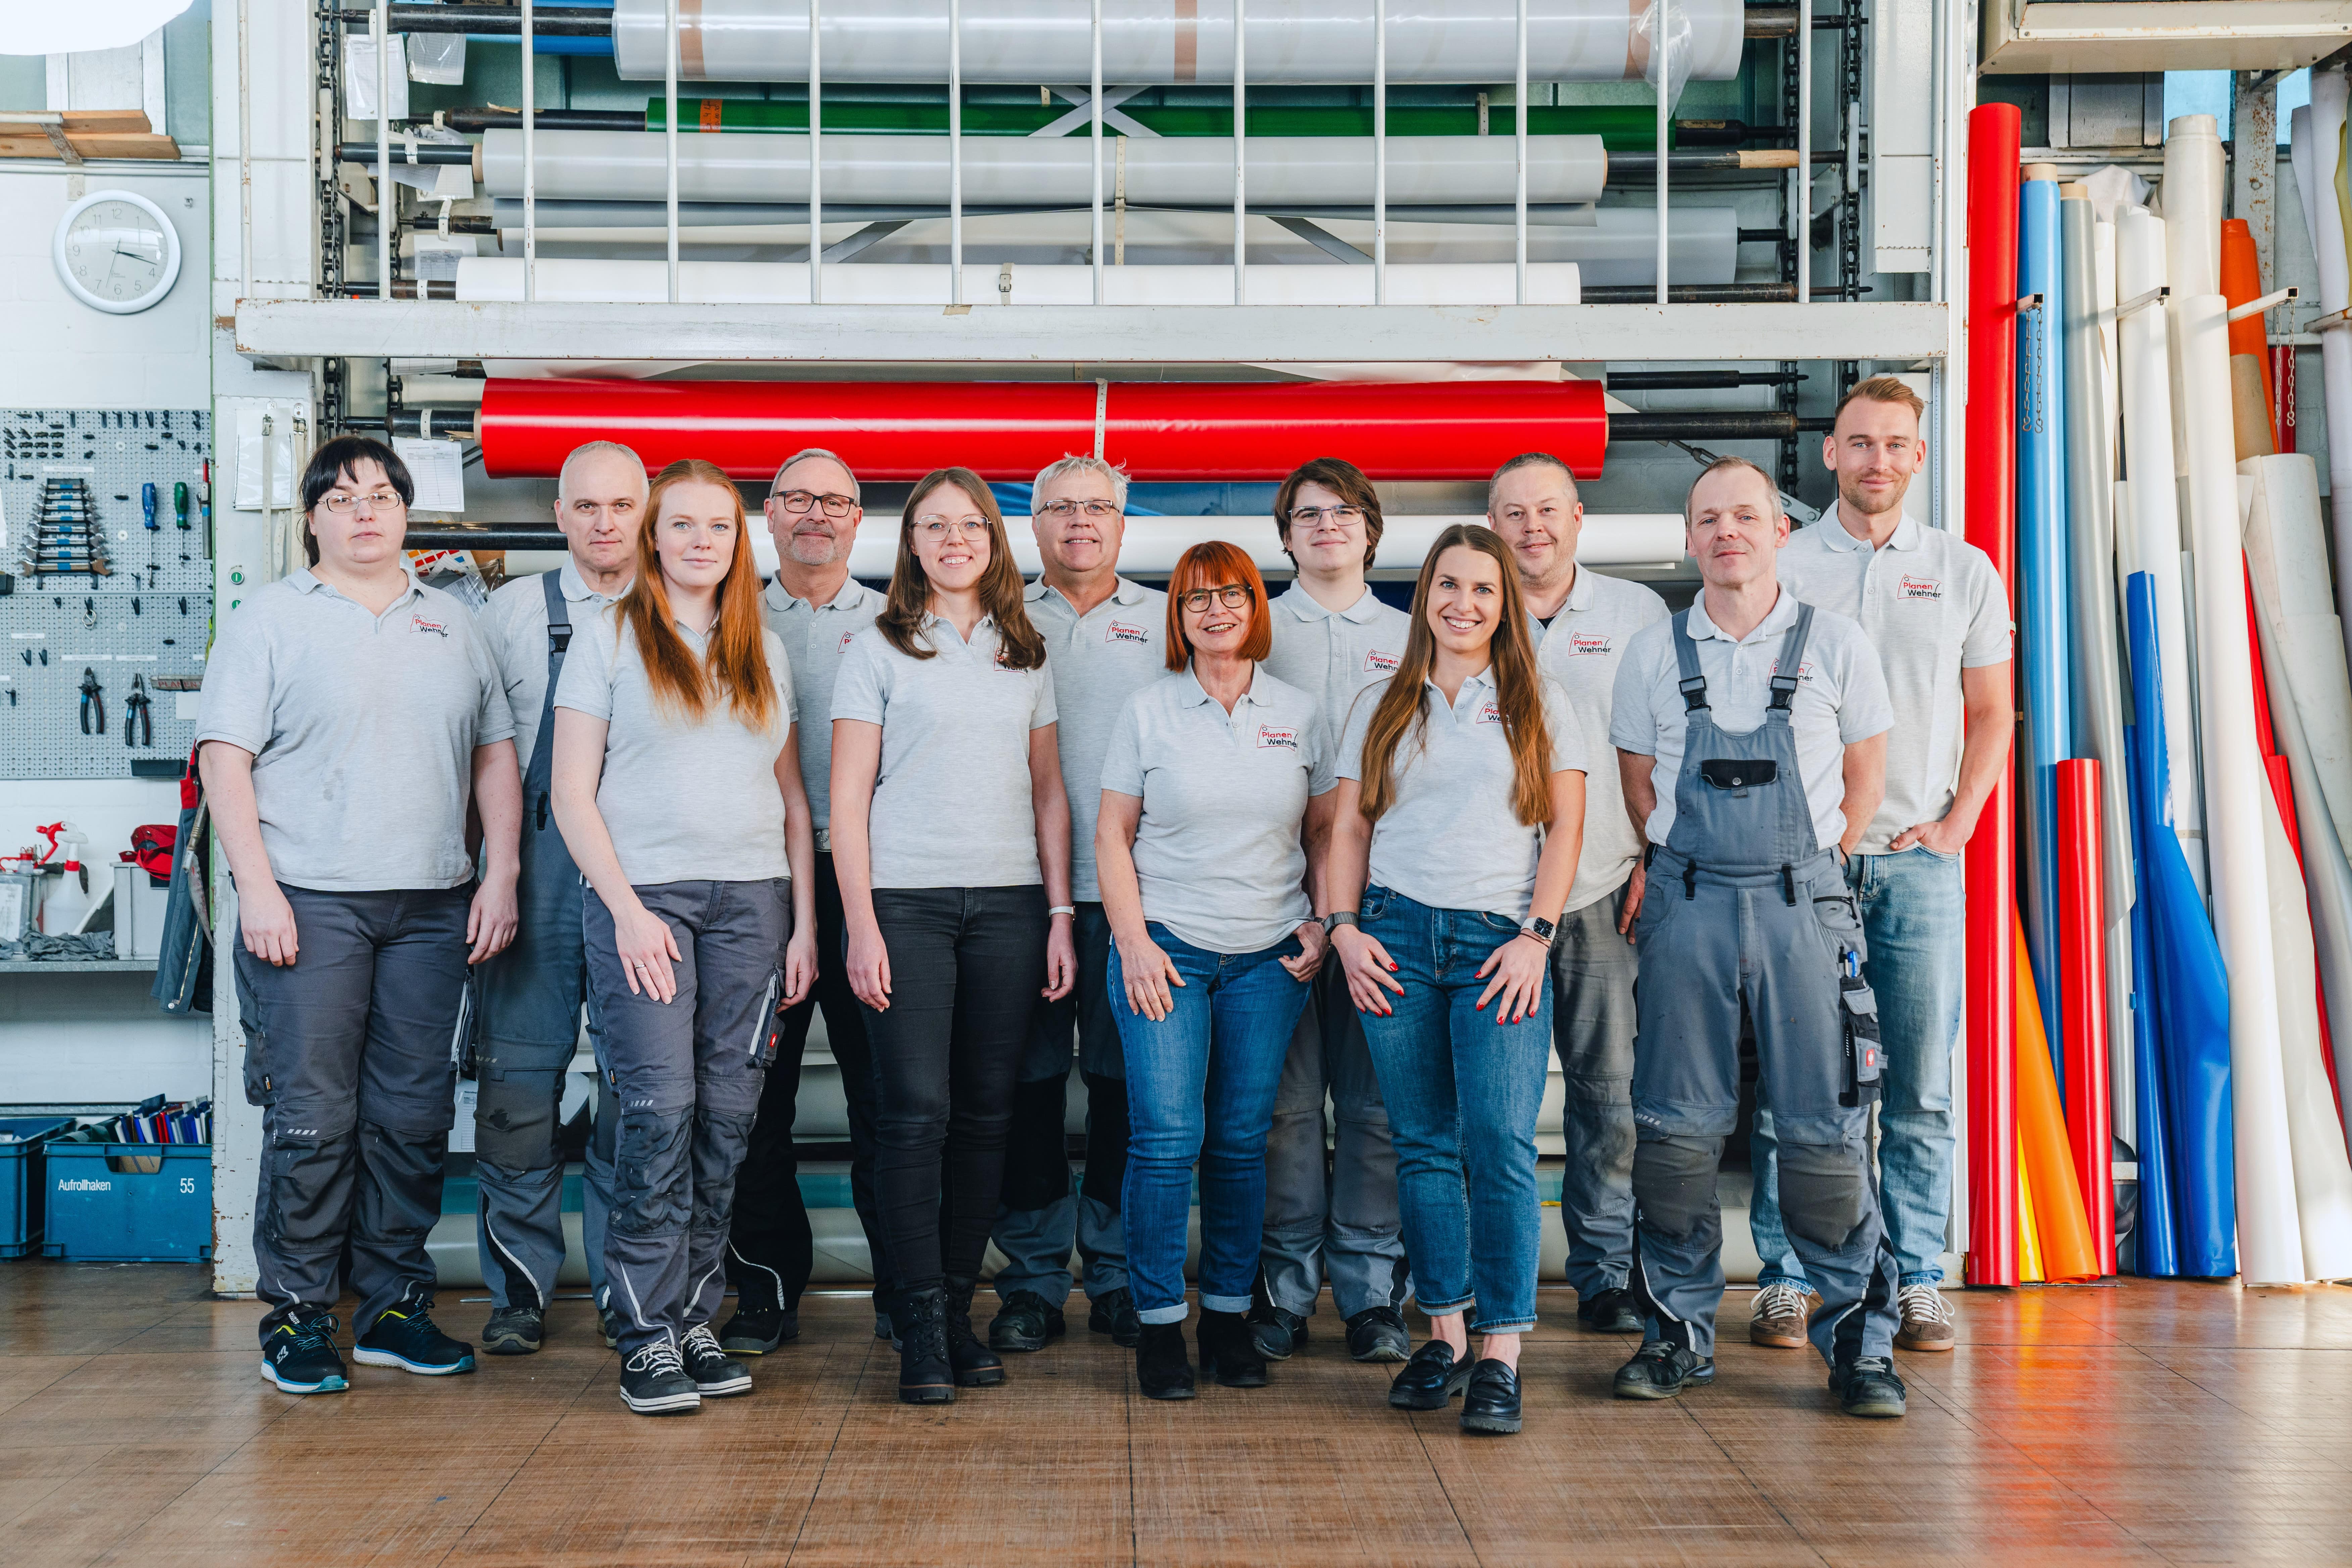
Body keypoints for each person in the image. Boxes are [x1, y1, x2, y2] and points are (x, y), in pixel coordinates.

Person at [198, 434, 521, 1395]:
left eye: (382, 496)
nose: (365, 512)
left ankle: (390, 1307)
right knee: (313, 1118)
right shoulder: (270, 619)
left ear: (406, 513)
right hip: (312, 904)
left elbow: (495, 755)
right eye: (343, 499)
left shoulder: (454, 622)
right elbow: (225, 760)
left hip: (432, 904)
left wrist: (499, 873)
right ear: (313, 518)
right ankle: (298, 1315)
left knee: (413, 1119)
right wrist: (258, 889)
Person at [1607, 456, 1904, 1419]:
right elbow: (1639, 780)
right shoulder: (1654, 653)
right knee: (1675, 1135)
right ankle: (1676, 1336)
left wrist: (1817, 870)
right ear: (1689, 541)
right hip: (1687, 906)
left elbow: (1864, 776)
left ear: (1782, 532)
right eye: (1709, 519)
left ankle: (1858, 1345)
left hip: (1801, 905)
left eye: (1747, 515)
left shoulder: (1839, 644)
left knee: (1824, 1133)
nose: (1727, 531)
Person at [1747, 378, 2012, 1355]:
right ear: (1830, 456)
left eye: (1897, 445)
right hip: (1805, 866)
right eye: (1860, 444)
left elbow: (1993, 713)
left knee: (1918, 1090)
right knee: (1795, 1082)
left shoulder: (1962, 570)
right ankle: (1786, 1278)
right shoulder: (1787, 564)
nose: (1878, 461)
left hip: (1916, 865)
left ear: (1919, 456)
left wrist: (1956, 825)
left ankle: (1916, 1282)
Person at [549, 458, 818, 1416]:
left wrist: (804, 928)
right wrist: (626, 910)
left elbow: (791, 801)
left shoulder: (764, 650)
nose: (702, 541)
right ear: (653, 537)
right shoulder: (609, 636)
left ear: (738, 544)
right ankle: (645, 1330)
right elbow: (569, 794)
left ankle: (695, 1315)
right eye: (684, 525)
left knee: (727, 1117)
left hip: (755, 905)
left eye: (719, 527)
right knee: (658, 1113)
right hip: (647, 901)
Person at [1326, 523, 1587, 1436]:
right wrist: (1345, 929)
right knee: (1425, 1147)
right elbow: (1351, 832)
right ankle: (1441, 1333)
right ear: (1424, 596)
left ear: (1503, 602)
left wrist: (1536, 937)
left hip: (1496, 946)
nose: (1464, 603)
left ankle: (1500, 1353)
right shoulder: (1381, 703)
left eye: (1483, 588)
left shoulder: (1542, 698)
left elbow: (1565, 830)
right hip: (1394, 937)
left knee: (1500, 1145)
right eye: (1447, 586)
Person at [830, 467, 1077, 1404]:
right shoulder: (880, 646)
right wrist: (861, 922)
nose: (952, 540)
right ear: (913, 546)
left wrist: (1058, 913)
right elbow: (847, 797)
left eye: (969, 524)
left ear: (993, 538)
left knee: (987, 1117)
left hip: (1011, 903)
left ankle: (961, 1314)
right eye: (933, 526)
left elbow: (1048, 791)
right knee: (915, 1113)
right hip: (908, 902)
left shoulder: (1026, 648)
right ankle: (919, 1323)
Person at [1096, 542, 1335, 1400]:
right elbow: (1112, 836)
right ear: (1179, 617)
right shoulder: (1149, 709)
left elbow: (1325, 834)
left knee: (1239, 1142)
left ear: (1255, 607)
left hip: (1270, 957)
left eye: (1231, 593)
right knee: (1166, 1139)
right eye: (1195, 598)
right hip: (1168, 950)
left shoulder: (1301, 712)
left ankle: (1229, 1317)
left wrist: (1324, 919)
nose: (1215, 609)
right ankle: (1161, 1324)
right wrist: (1134, 942)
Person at [1486, 453, 1669, 1336]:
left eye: (1547, 510)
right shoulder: (1468, 610)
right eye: (1514, 514)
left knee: (1610, 1095)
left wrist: (1650, 858)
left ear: (1578, 517)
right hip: (1489, 900)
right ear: (1494, 527)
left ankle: (1602, 1275)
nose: (1533, 528)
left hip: (1602, 890)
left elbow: (1666, 749)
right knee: (1489, 1104)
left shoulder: (1637, 614)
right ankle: (1481, 1275)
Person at [473, 439, 644, 1358]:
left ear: (645, 512)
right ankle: (520, 1293)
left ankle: (633, 1294)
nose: (606, 523)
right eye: (587, 507)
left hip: (644, 881)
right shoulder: (506, 615)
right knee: (516, 1094)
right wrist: (494, 872)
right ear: (560, 516)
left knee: (638, 1092)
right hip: (535, 876)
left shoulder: (679, 611)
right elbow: (481, 757)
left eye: (622, 505)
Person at [989, 455, 1163, 1355]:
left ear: (1123, 525)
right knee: (1024, 1097)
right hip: (1021, 895)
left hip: (1133, 903)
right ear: (1035, 523)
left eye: (1098, 508)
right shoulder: (998, 618)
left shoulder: (1167, 619)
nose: (1081, 522)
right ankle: (1030, 1281)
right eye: (1060, 508)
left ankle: (1120, 1275)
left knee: (1122, 1095)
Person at [722, 447, 891, 1354]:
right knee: (758, 1103)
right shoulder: (729, 613)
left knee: (885, 1100)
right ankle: (766, 1290)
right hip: (760, 880)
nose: (817, 514)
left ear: (860, 518)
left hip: (873, 883)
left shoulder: (899, 620)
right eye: (797, 499)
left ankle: (902, 1292)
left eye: (836, 500)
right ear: (770, 514)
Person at [1252, 456, 1414, 1364]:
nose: (1326, 527)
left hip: (1383, 912)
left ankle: (1369, 1293)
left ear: (1371, 529)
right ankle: (1283, 1290)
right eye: (1307, 515)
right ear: (1284, 534)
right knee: (1283, 1113)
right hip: (1271, 911)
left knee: (1376, 1111)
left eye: (1344, 512)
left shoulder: (1412, 635)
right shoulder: (1254, 628)